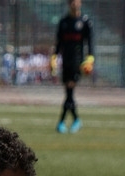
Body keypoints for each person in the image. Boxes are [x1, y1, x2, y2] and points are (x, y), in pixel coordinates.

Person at [52, 0, 93, 134]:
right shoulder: (63, 22)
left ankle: (62, 122)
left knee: (69, 91)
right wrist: (54, 57)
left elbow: (90, 43)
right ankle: (75, 120)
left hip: (77, 62)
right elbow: (59, 43)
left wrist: (89, 59)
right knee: (69, 93)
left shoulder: (85, 22)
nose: (74, 4)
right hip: (66, 61)